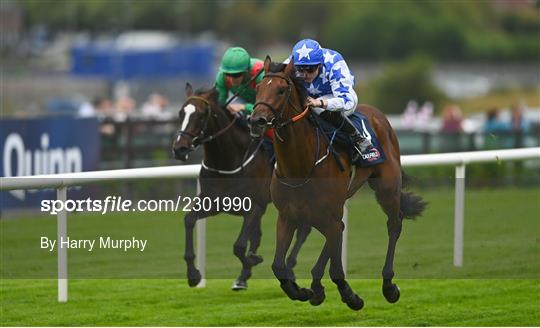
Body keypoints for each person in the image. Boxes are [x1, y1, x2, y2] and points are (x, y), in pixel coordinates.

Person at [285, 39, 375, 161]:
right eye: (300, 70)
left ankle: (358, 138)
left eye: (310, 70)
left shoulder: (334, 62)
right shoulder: (291, 63)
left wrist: (320, 103)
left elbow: (347, 101)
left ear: (320, 65)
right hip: (309, 98)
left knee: (315, 108)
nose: (305, 74)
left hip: (339, 96)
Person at [215, 47, 264, 115]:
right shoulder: (222, 76)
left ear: (246, 71)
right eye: (228, 74)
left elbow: (268, 108)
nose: (231, 79)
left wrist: (245, 107)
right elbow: (219, 104)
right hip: (244, 102)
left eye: (236, 75)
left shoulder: (260, 74)